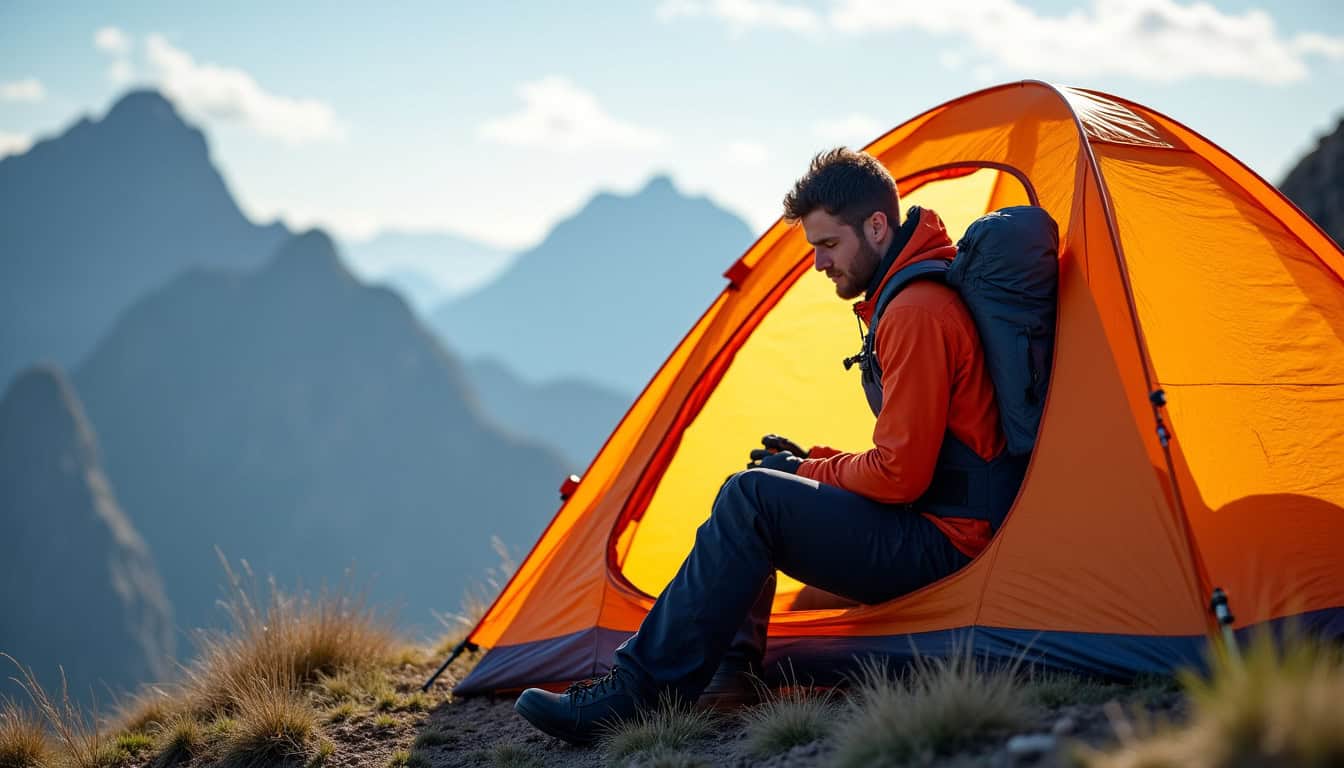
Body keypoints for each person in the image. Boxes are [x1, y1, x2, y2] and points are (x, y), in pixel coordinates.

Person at [514, 147, 1027, 745]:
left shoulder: (915, 312)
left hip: (948, 543)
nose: (818, 263)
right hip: (939, 522)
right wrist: (810, 463)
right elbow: (920, 458)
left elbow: (900, 477)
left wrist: (808, 470)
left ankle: (634, 693)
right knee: (759, 488)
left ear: (876, 226)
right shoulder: (911, 297)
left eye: (828, 245)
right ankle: (729, 677)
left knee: (752, 497)